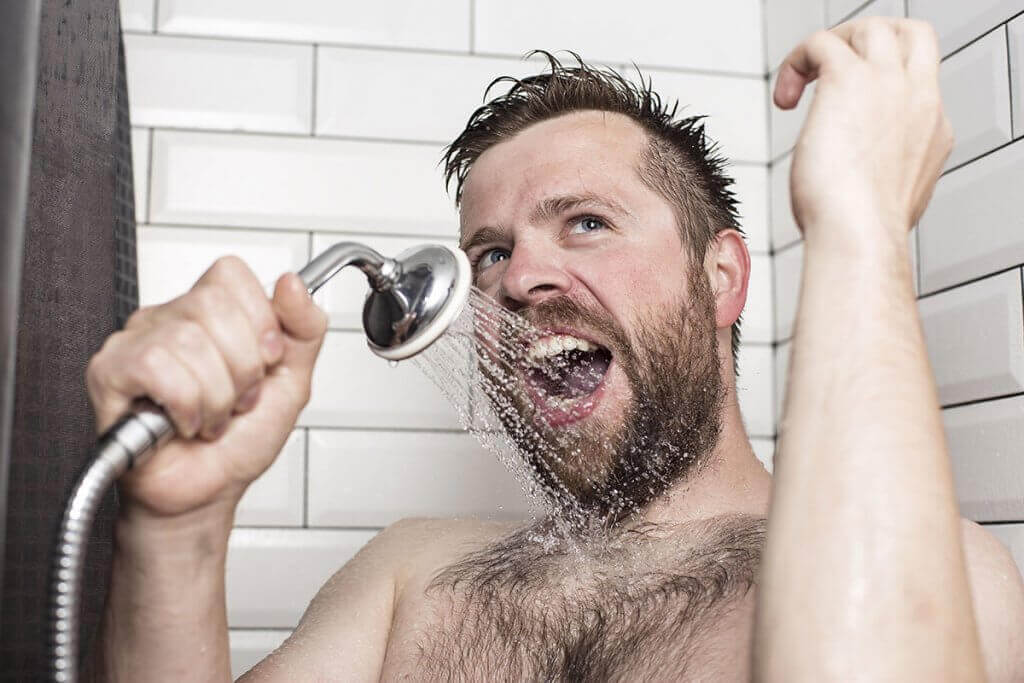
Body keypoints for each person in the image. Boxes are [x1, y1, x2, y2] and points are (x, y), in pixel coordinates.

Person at [85, 18, 1024, 681]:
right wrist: (177, 529)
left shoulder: (945, 568)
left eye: (584, 222)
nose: (517, 278)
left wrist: (857, 221)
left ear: (722, 279)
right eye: (489, 252)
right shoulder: (410, 579)